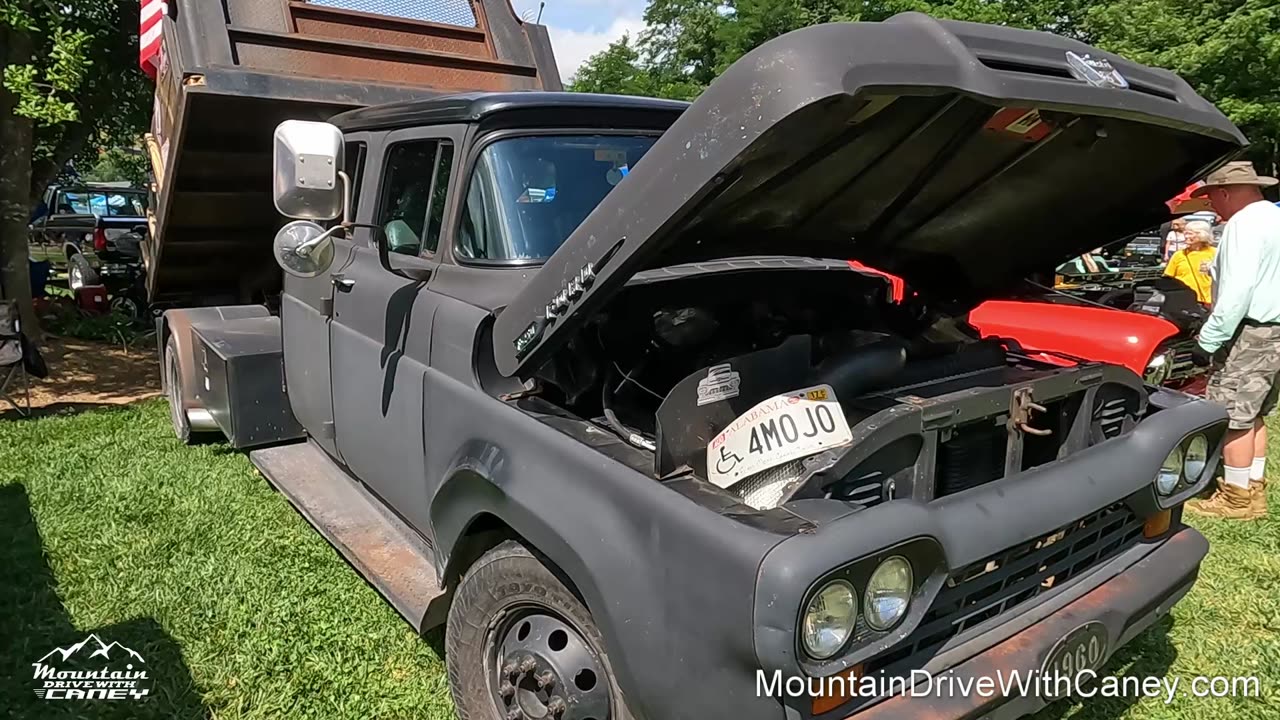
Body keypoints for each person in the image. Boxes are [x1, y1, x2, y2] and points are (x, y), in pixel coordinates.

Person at [1185, 161, 1280, 519]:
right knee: (1256, 413)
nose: (1212, 206)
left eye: (1211, 198)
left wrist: (1207, 341)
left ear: (1225, 192)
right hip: (1275, 331)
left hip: (1251, 332)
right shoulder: (1275, 217)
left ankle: (1236, 498)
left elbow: (1238, 291)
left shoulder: (1243, 224)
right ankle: (1253, 487)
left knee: (1234, 415)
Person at [1162, 220, 1216, 304]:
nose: (1186, 236)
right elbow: (1168, 278)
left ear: (1202, 234)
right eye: (1185, 233)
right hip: (1184, 302)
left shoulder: (1215, 253)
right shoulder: (1179, 255)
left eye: (1190, 233)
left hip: (1208, 301)